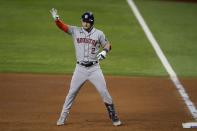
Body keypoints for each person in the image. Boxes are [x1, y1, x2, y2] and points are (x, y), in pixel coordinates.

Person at [50, 8, 122, 126]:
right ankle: (63, 117)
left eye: (87, 21)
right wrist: (57, 20)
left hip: (94, 69)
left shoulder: (99, 33)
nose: (85, 23)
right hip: (80, 69)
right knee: (72, 92)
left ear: (92, 22)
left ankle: (113, 116)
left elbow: (107, 44)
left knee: (104, 92)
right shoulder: (75, 30)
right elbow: (63, 27)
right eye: (84, 21)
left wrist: (104, 51)